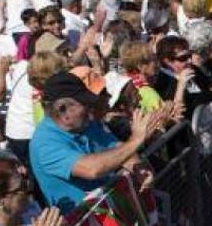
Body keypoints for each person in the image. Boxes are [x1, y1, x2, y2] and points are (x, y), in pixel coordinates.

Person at [29, 71, 164, 213]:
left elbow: (118, 148)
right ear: (62, 109)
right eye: (84, 104)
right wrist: (135, 140)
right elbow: (92, 169)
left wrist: (138, 168)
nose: (89, 109)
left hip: (114, 213)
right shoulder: (44, 143)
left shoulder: (87, 124)